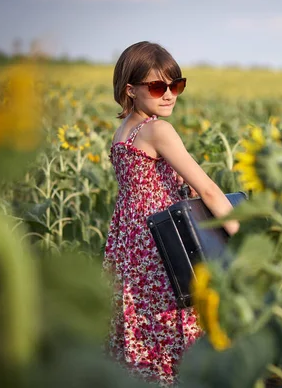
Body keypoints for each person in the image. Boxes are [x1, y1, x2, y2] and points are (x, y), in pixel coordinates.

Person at [102, 41, 239, 386]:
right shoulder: (158, 130)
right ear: (130, 90)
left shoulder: (123, 133)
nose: (169, 95)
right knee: (176, 318)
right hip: (163, 244)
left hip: (131, 244)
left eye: (176, 85)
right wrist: (244, 236)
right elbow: (207, 189)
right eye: (158, 86)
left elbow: (152, 182)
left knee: (142, 322)